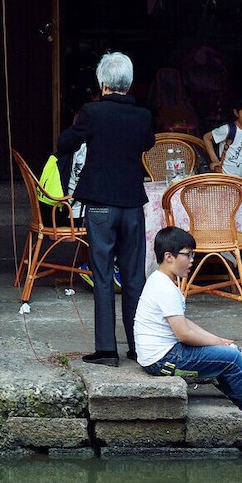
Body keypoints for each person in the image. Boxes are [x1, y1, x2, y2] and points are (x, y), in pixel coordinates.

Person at [56, 51, 154, 366]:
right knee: (134, 277)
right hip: (132, 205)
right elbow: (148, 143)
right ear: (129, 83)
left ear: (102, 82)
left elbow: (64, 143)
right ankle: (139, 347)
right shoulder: (142, 116)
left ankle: (107, 350)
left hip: (100, 205)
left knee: (101, 276)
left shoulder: (92, 112)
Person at [135, 226, 242, 437]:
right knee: (232, 359)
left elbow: (184, 323)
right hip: (164, 360)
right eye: (188, 254)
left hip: (161, 356)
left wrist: (217, 340)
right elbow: (183, 334)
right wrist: (218, 345)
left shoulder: (159, 281)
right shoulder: (165, 288)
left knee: (227, 355)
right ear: (169, 256)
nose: (192, 260)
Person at [202, 95, 242, 177]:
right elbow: (207, 138)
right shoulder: (228, 130)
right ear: (236, 113)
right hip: (226, 177)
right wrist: (215, 160)